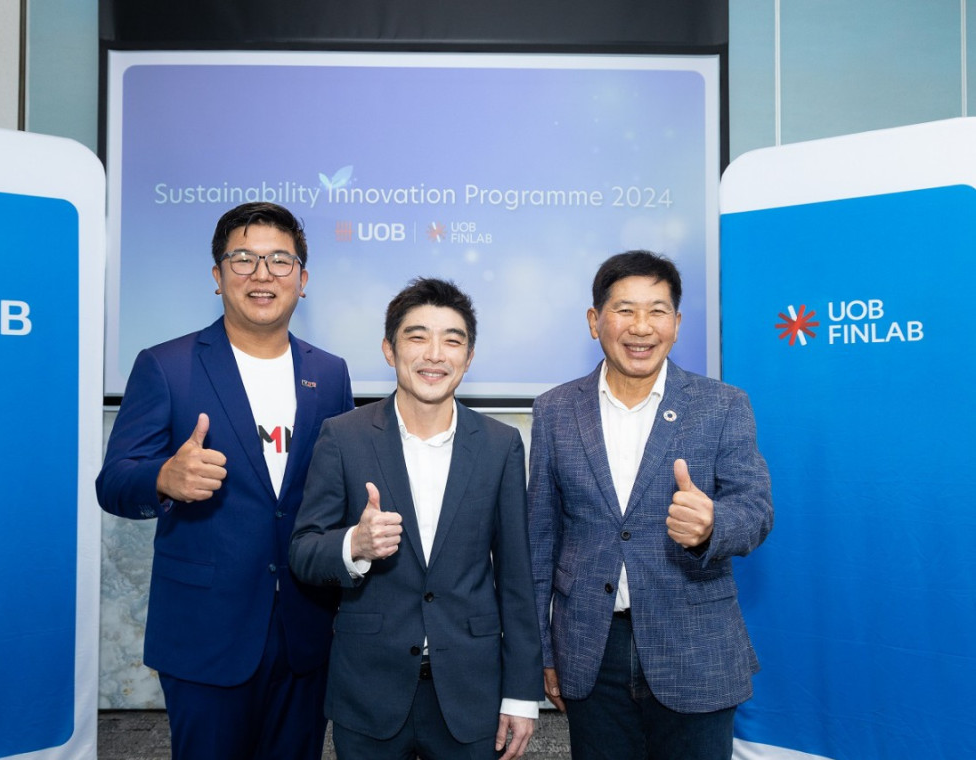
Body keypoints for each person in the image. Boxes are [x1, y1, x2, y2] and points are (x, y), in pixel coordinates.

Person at [95, 202, 353, 759]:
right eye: (243, 259)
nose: (262, 274)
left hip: (305, 634)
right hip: (205, 634)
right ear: (218, 276)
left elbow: (337, 493)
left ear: (302, 279)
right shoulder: (167, 365)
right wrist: (163, 477)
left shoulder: (329, 373)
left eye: (280, 260)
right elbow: (113, 481)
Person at [527, 250, 773, 760]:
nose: (641, 327)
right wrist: (542, 651)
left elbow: (755, 509)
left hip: (696, 648)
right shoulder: (555, 410)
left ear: (677, 324)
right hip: (591, 650)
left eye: (657, 311)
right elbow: (540, 540)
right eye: (624, 310)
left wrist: (713, 525)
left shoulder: (723, 404)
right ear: (595, 320)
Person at [289, 278, 543, 760]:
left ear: (469, 357)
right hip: (369, 689)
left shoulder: (499, 444)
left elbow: (516, 578)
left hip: (471, 689)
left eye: (452, 340)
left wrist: (520, 694)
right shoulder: (343, 436)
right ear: (389, 349)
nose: (435, 355)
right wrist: (353, 546)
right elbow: (303, 550)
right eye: (417, 336)